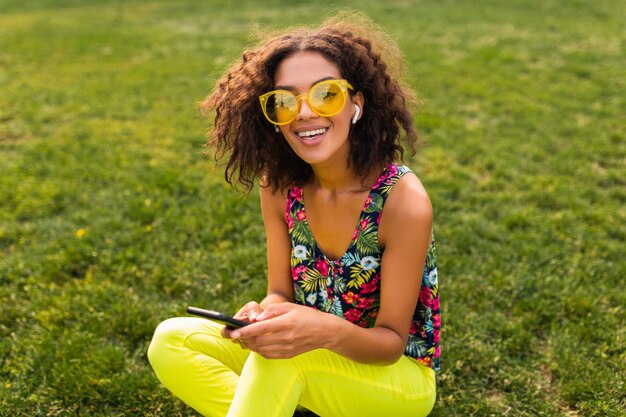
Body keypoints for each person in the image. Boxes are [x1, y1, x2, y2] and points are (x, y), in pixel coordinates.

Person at [147, 11, 440, 417]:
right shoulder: (280, 185)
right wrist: (262, 314)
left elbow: (390, 344)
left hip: (396, 380)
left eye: (326, 95)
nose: (303, 113)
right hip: (306, 356)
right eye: (284, 101)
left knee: (285, 356)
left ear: (356, 104)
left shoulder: (401, 200)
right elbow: (280, 293)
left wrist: (318, 331)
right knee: (172, 340)